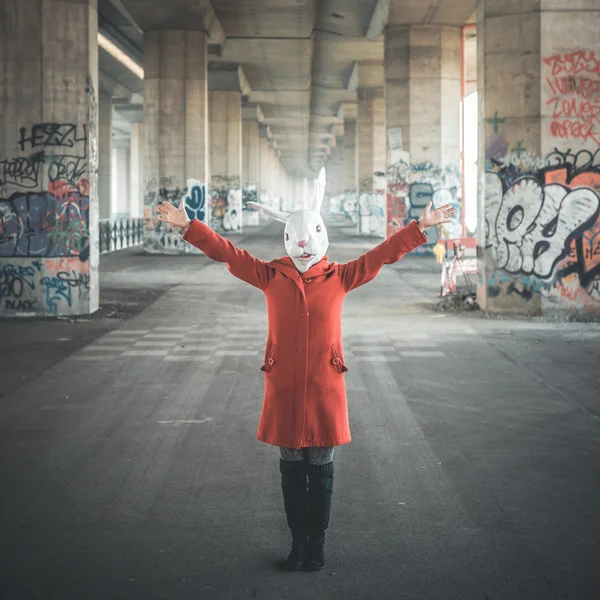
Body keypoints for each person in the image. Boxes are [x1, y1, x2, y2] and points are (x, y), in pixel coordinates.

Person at [157, 169, 456, 571]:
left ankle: (316, 543)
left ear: (321, 233)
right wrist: (190, 226)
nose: (302, 243)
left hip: (322, 387)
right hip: (284, 386)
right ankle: (298, 542)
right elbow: (227, 253)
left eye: (310, 234)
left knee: (322, 470)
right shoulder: (269, 276)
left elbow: (384, 253)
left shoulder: (341, 277)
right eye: (295, 236)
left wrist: (421, 226)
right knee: (291, 471)